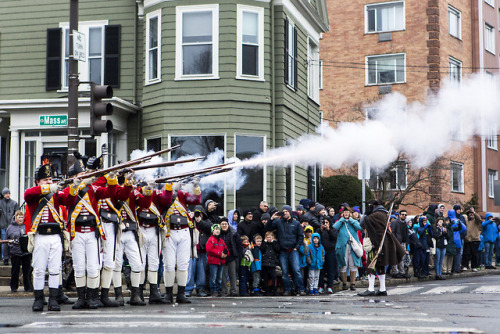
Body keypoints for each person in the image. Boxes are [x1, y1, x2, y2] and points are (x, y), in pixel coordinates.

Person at [24, 164, 79, 311]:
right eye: (45, 180)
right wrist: (49, 188)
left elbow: (69, 200)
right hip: (40, 236)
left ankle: (53, 299)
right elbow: (27, 194)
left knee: (55, 270)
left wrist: (75, 187)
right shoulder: (34, 194)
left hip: (55, 236)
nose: (49, 182)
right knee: (39, 270)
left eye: (50, 179)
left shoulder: (56, 194)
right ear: (38, 182)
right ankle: (38, 299)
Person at [67, 158, 118, 310]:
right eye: (80, 174)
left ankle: (92, 297)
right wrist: (78, 184)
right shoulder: (70, 189)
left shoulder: (93, 189)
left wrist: (112, 177)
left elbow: (110, 192)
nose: (83, 176)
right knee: (79, 266)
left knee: (93, 266)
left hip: (92, 232)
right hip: (76, 232)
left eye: (84, 174)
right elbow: (67, 199)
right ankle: (81, 298)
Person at [159, 179, 201, 304]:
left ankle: (181, 294)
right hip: (169, 232)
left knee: (183, 264)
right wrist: (170, 189)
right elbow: (165, 200)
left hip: (183, 231)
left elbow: (196, 200)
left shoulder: (182, 194)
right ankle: (168, 294)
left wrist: (195, 186)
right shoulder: (163, 193)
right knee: (169, 265)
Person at [358, 200, 405, 297]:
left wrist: (366, 214)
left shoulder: (374, 216)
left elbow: (362, 224)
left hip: (375, 243)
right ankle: (382, 289)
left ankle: (371, 289)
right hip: (383, 243)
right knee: (380, 265)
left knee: (371, 265)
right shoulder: (384, 214)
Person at [267, 205, 307, 296]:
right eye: (283, 211)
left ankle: (301, 289)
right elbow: (268, 228)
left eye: (286, 211)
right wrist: (272, 218)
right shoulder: (278, 222)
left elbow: (300, 236)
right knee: (284, 272)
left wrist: (297, 246)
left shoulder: (296, 223)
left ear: (290, 212)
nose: (285, 213)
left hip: (293, 250)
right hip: (283, 250)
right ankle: (287, 289)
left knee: (297, 270)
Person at [334, 207, 361, 291]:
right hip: (343, 247)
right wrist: (342, 220)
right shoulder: (340, 222)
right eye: (345, 212)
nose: (346, 214)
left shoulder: (354, 222)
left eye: (347, 212)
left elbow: (358, 227)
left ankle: (352, 284)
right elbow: (334, 227)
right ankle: (345, 284)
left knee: (353, 264)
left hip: (353, 246)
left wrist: (351, 220)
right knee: (343, 265)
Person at [185, 205, 210, 297]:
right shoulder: (190, 221)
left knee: (202, 273)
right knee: (190, 272)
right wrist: (190, 218)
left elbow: (210, 228)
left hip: (202, 251)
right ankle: (188, 289)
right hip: (191, 250)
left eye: (200, 213)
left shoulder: (206, 222)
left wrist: (200, 221)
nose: (198, 215)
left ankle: (200, 289)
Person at [6, 211, 32, 292]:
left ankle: (27, 287)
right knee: (15, 270)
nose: (20, 219)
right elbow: (7, 241)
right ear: (15, 218)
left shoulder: (26, 226)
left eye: (22, 217)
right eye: (19, 217)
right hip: (15, 251)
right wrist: (6, 255)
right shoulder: (10, 227)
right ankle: (13, 287)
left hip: (26, 252)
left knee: (27, 271)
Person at [220, 217, 241, 296]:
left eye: (226, 224)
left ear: (228, 225)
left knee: (232, 275)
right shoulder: (218, 233)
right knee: (223, 276)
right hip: (221, 257)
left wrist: (238, 255)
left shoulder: (233, 232)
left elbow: (239, 245)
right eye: (222, 224)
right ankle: (224, 291)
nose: (224, 225)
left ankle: (233, 291)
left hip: (232, 257)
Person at [206, 223, 228, 297]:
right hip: (213, 262)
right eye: (216, 229)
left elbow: (226, 249)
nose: (217, 231)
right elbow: (210, 250)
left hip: (220, 262)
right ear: (212, 231)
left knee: (219, 277)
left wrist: (225, 253)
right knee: (213, 277)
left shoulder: (221, 240)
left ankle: (219, 290)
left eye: (218, 229)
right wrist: (220, 254)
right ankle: (213, 290)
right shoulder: (210, 240)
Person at [0, 187, 20, 265]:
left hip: (12, 226)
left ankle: (13, 257)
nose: (7, 195)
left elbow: (17, 213)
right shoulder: (0, 203)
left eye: (8, 193)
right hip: (2, 225)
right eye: (6, 193)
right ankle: (5, 258)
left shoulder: (14, 203)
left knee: (14, 242)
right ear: (3, 194)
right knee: (4, 243)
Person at [318, 214, 337, 294]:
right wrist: (321, 230)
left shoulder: (333, 230)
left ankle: (330, 286)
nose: (325, 224)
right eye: (324, 222)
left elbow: (333, 237)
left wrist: (328, 230)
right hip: (322, 252)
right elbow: (316, 238)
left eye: (326, 222)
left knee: (330, 270)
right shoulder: (320, 230)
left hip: (331, 251)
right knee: (321, 270)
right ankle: (321, 286)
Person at [390, 210, 410, 278]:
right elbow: (392, 233)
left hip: (403, 242)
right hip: (397, 242)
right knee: (395, 257)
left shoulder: (405, 223)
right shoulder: (395, 222)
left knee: (402, 257)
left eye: (405, 215)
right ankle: (395, 272)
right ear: (399, 215)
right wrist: (395, 242)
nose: (404, 216)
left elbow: (406, 234)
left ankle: (402, 272)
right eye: (403, 214)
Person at [260, 231, 280, 296]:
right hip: (265, 263)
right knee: (265, 278)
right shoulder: (264, 243)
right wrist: (264, 242)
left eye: (270, 237)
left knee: (274, 277)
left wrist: (273, 242)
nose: (269, 239)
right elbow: (262, 249)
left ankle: (275, 290)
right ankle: (266, 291)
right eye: (267, 237)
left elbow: (277, 249)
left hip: (272, 262)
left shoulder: (274, 243)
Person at [463, 207, 482, 271]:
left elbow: (479, 219)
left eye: (472, 213)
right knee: (466, 254)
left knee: (474, 254)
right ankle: (465, 265)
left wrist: (474, 212)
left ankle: (474, 267)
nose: (471, 214)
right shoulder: (467, 221)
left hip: (475, 239)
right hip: (467, 239)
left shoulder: (476, 221)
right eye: (470, 213)